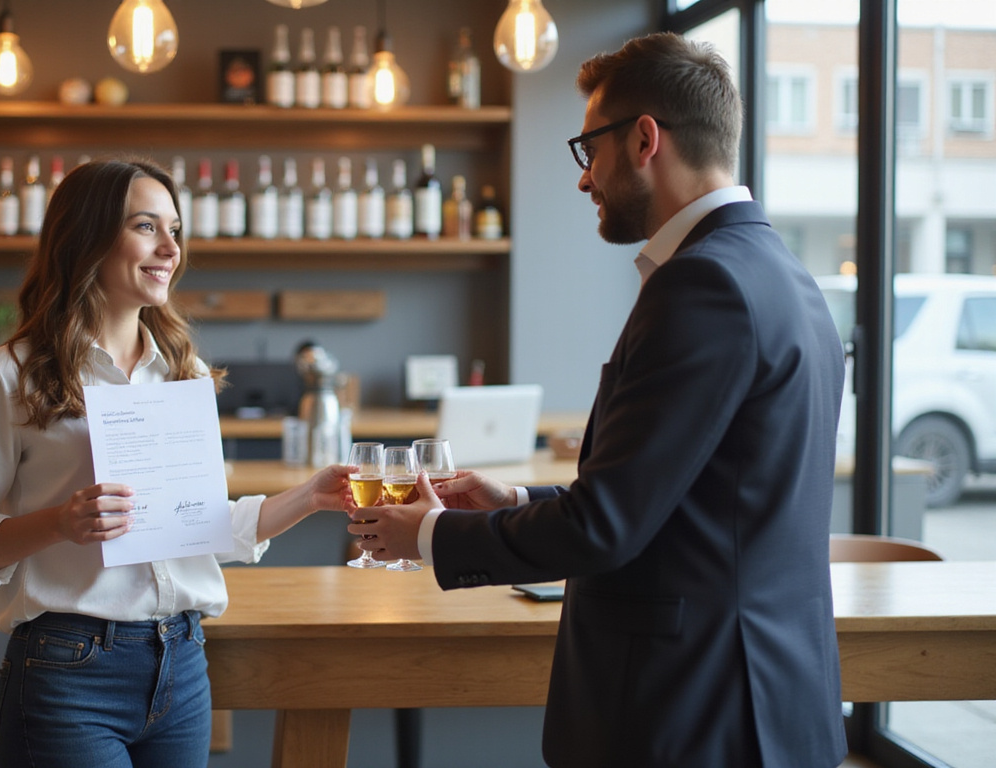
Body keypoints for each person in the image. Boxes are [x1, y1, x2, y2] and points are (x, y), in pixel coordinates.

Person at [349, 32, 849, 768]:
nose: (584, 181)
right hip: (766, 700)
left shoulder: (701, 285)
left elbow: (606, 527)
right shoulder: (783, 274)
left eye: (589, 151)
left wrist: (425, 537)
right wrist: (514, 497)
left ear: (645, 138)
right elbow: (691, 496)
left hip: (692, 712)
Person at [0, 158, 352, 768]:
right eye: (147, 227)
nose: (171, 248)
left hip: (182, 665)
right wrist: (59, 523)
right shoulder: (8, 376)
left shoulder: (185, 372)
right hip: (67, 672)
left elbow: (196, 523)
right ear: (87, 239)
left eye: (175, 229)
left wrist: (310, 495)